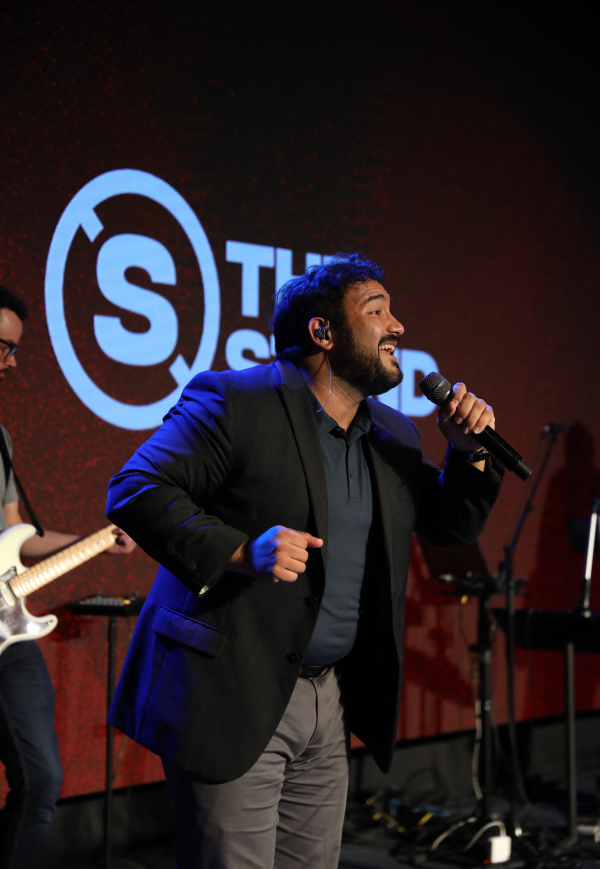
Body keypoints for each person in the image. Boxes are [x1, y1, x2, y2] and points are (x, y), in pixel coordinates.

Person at [106, 252, 504, 869]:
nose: (397, 325)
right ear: (323, 332)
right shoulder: (237, 400)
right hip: (233, 689)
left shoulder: (393, 434)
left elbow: (452, 524)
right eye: (377, 311)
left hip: (328, 699)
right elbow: (135, 488)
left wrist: (469, 453)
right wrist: (241, 550)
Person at [0, 285, 136, 869]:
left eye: (14, 350)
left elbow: (17, 535)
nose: (11, 363)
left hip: (8, 634)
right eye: (2, 347)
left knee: (42, 778)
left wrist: (97, 541)